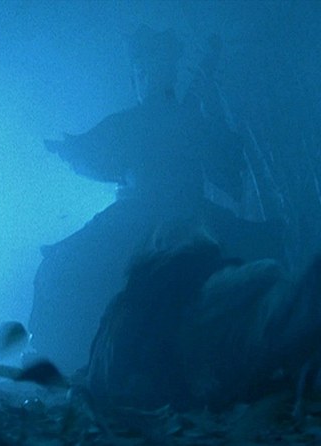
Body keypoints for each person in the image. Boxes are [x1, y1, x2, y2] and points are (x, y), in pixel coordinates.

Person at [29, 26, 283, 373]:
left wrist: (205, 120)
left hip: (185, 216)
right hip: (138, 213)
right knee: (64, 267)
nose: (146, 77)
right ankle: (72, 359)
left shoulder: (188, 120)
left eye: (154, 69)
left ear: (169, 73)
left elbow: (227, 170)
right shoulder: (133, 123)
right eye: (141, 70)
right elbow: (96, 156)